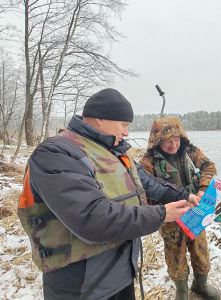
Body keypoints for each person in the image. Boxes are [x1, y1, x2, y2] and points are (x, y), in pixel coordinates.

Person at [17, 88, 202, 300]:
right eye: (124, 125)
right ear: (100, 118)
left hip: (121, 271)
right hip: (80, 283)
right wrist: (160, 214)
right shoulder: (57, 153)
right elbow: (92, 218)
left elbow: (148, 182)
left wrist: (183, 195)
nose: (126, 133)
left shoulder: (114, 151)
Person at [140, 117, 220, 300]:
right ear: (158, 141)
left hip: (195, 212)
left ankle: (201, 285)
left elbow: (209, 166)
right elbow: (144, 191)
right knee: (175, 254)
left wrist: (203, 189)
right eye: (168, 141)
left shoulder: (190, 151)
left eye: (177, 139)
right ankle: (182, 290)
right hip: (171, 217)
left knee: (200, 250)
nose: (174, 144)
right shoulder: (148, 162)